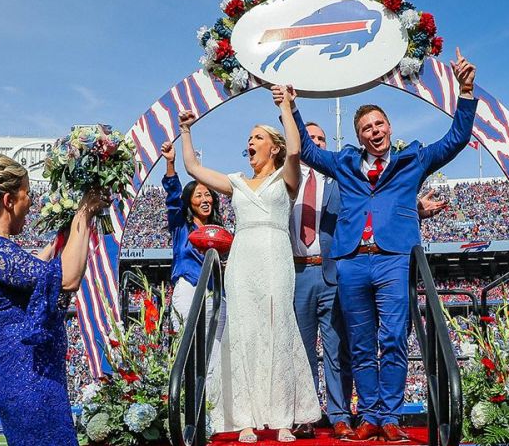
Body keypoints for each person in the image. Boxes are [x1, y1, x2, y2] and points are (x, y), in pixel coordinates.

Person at [280, 48, 477, 441]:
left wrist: (466, 92)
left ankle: (389, 416)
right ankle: (367, 415)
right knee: (360, 343)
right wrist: (292, 108)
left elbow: (456, 139)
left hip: (392, 259)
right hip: (352, 261)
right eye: (367, 127)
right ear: (359, 136)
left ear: (389, 126)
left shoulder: (413, 160)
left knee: (392, 339)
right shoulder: (345, 164)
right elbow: (309, 149)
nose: (374, 131)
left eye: (379, 123)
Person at [288, 123, 449, 440]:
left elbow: (375, 206)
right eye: (313, 139)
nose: (317, 144)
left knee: (344, 351)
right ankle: (303, 415)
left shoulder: (340, 179)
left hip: (336, 270)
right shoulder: (287, 182)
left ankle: (343, 415)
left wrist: (414, 209)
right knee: (301, 351)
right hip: (296, 272)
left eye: (323, 139)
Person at [178, 87, 319, 443]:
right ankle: (244, 420)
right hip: (242, 261)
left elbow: (297, 148)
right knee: (242, 333)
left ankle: (283, 418)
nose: (250, 142)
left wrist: (285, 108)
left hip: (275, 255)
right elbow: (192, 167)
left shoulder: (286, 178)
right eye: (249, 138)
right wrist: (186, 131)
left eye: (257, 137)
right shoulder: (236, 183)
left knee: (279, 329)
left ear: (273, 146)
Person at [0, 151, 106, 446]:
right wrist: (84, 211)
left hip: (27, 373)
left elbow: (35, 273)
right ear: (8, 200)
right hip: (30, 377)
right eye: (26, 195)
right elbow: (66, 279)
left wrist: (63, 238)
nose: (31, 203)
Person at [159, 141, 227, 348]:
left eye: (208, 195)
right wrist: (171, 163)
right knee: (187, 347)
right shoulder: (181, 226)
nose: (205, 199)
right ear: (189, 202)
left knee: (215, 349)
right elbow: (172, 198)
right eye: (199, 195)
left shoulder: (220, 233)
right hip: (189, 287)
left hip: (216, 292)